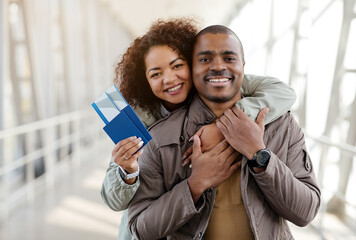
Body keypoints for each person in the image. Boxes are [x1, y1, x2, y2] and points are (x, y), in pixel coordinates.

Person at [100, 19, 297, 240]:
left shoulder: (215, 85)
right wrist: (127, 172)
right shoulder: (136, 119)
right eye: (156, 74)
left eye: (177, 66)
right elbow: (114, 201)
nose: (169, 79)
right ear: (145, 80)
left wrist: (223, 126)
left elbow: (283, 92)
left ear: (193, 65)